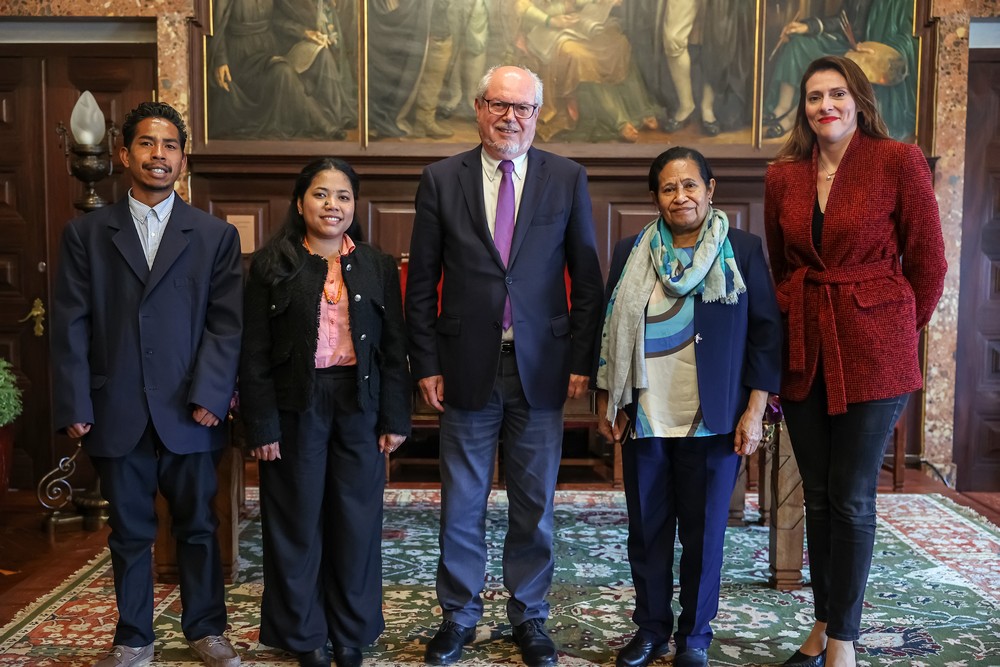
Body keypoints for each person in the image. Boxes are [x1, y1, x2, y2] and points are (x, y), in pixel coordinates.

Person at [405, 64, 604, 667]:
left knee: (534, 504)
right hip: (465, 364)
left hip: (541, 365)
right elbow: (422, 282)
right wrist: (426, 361)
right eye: (500, 105)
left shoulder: (566, 178)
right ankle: (459, 616)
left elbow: (587, 279)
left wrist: (580, 359)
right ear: (478, 107)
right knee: (461, 499)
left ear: (538, 115)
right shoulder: (442, 178)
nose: (510, 117)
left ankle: (529, 617)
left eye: (523, 108)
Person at [764, 56, 946, 667]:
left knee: (851, 496)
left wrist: (894, 323)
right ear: (804, 109)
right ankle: (821, 623)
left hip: (875, 348)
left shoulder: (898, 160)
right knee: (815, 493)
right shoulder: (784, 175)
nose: (825, 107)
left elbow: (929, 263)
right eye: (814, 97)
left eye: (836, 94)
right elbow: (781, 267)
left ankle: (843, 638)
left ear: (859, 99)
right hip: (805, 343)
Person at [50, 102, 243, 667]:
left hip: (191, 409)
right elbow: (70, 323)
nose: (158, 155)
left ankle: (206, 628)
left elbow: (226, 324)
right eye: (146, 144)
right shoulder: (86, 234)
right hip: (117, 406)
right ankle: (133, 636)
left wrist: (212, 394)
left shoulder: (214, 235)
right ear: (123, 154)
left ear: (183, 160)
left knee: (199, 527)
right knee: (129, 530)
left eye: (169, 146)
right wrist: (76, 401)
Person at [596, 146, 782, 667]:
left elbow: (766, 334)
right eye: (669, 188)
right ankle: (651, 628)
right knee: (648, 531)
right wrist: (611, 397)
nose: (681, 196)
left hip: (716, 418)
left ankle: (695, 637)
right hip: (647, 417)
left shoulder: (741, 249)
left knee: (704, 536)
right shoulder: (630, 251)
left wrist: (754, 409)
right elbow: (610, 329)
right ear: (656, 197)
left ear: (710, 188)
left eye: (690, 185)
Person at [238, 158, 411, 667]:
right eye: (320, 194)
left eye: (342, 197)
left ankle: (350, 633)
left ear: (354, 207)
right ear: (299, 203)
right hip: (296, 403)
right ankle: (305, 635)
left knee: (356, 520)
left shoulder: (377, 265)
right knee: (296, 520)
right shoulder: (271, 264)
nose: (331, 205)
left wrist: (395, 417)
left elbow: (394, 347)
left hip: (359, 401)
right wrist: (262, 423)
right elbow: (254, 352)